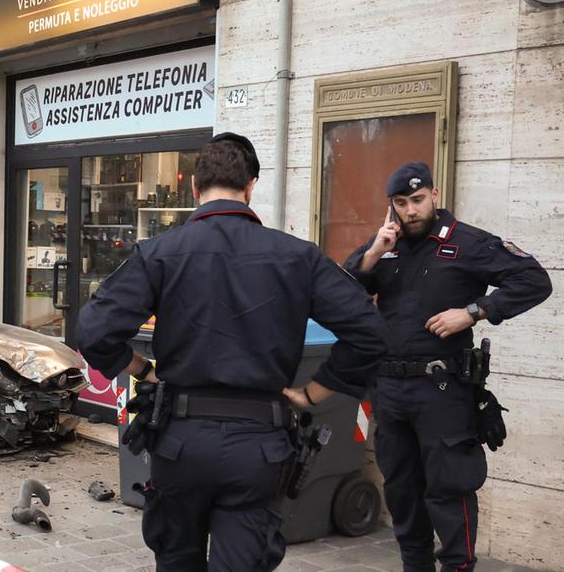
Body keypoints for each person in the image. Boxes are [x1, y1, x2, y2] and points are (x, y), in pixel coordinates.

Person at [77, 133, 391, 571]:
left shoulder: (160, 252)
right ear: (251, 186)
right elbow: (369, 332)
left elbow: (93, 332)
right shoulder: (297, 256)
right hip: (258, 446)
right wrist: (314, 393)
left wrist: (143, 370)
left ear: (193, 188)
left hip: (180, 443)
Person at [343, 162, 551, 572]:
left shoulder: (468, 243)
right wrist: (373, 252)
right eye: (401, 203)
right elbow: (341, 293)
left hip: (442, 390)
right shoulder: (387, 246)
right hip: (390, 390)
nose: (410, 210)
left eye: (418, 200)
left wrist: (475, 311)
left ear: (435, 196)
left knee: (449, 489)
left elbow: (534, 280)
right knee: (401, 492)